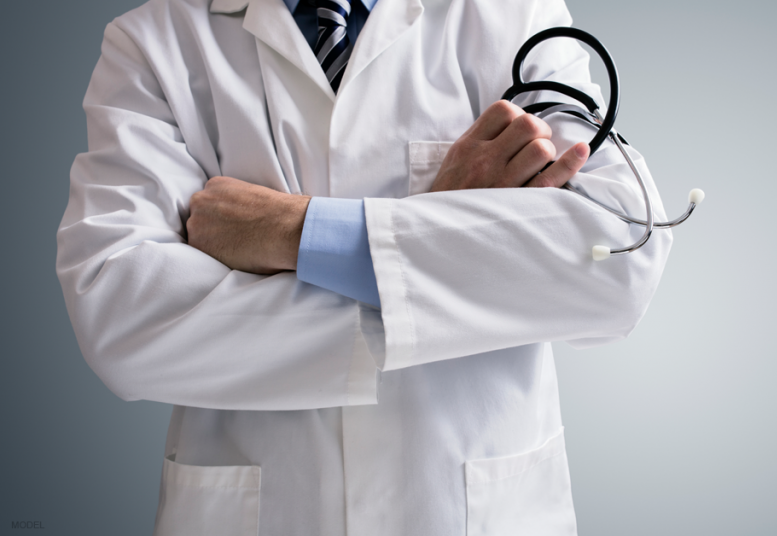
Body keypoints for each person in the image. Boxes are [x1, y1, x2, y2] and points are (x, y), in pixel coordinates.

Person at [56, 0, 672, 533]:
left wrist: (293, 233)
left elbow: (618, 254)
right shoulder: (153, 43)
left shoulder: (511, 16)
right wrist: (454, 263)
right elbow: (122, 314)